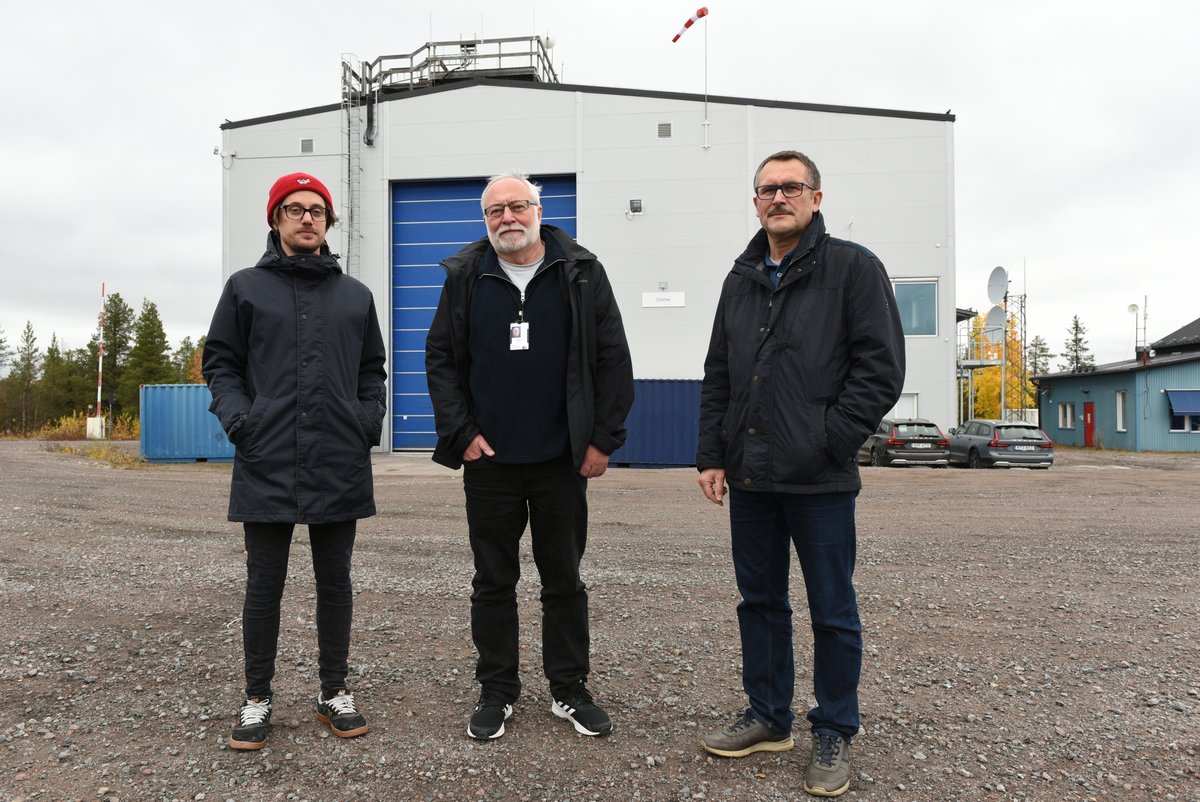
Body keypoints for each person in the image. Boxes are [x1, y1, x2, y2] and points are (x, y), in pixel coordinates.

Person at [696, 151, 905, 797]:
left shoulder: (853, 269)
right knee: (759, 602)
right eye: (766, 189)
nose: (777, 197)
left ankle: (834, 728)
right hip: (752, 479)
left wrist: (828, 440)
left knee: (832, 609)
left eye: (791, 187)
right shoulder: (741, 276)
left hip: (820, 480)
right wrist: (712, 454)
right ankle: (767, 716)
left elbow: (880, 371)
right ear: (755, 201)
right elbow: (720, 375)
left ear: (817, 198)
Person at [425, 172, 634, 741]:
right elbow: (441, 359)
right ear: (485, 220)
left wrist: (601, 440)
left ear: (539, 211)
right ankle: (497, 690)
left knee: (563, 578)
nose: (507, 218)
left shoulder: (582, 273)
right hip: (489, 460)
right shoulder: (467, 276)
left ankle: (569, 688)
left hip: (561, 461)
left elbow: (613, 358)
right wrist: (461, 432)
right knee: (493, 580)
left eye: (518, 206)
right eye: (495, 211)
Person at [203, 172, 388, 751]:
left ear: (329, 223)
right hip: (268, 454)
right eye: (293, 209)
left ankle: (334, 690)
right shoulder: (245, 288)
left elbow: (371, 371)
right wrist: (242, 422)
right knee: (265, 584)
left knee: (335, 582)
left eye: (316, 210)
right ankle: (257, 696)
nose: (306, 218)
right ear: (275, 219)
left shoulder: (355, 295)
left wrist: (365, 422)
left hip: (338, 454)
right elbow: (221, 363)